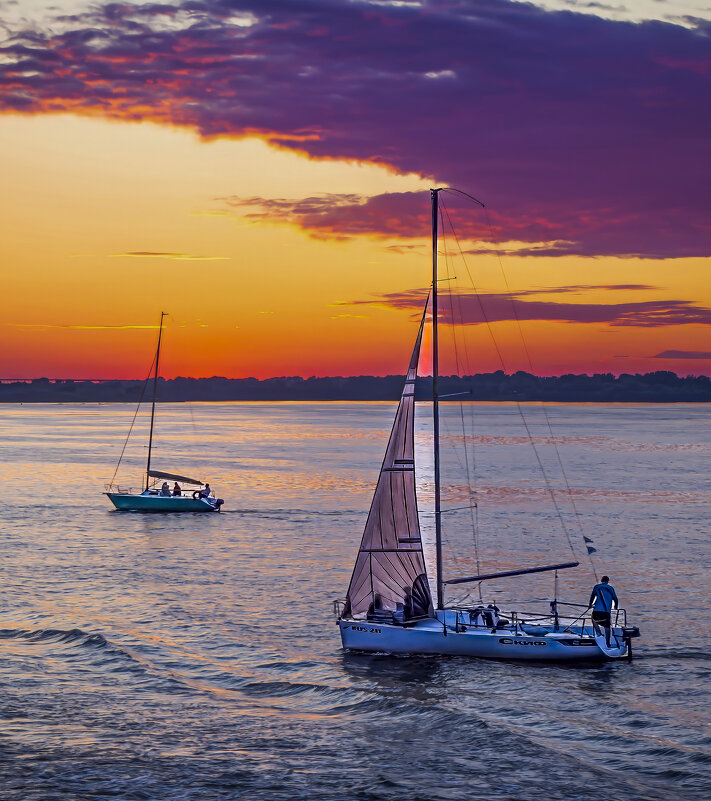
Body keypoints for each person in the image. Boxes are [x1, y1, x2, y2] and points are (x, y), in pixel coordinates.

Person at [589, 575, 619, 647]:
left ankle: (599, 634)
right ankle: (607, 643)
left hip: (596, 610)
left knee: (593, 620)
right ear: (608, 581)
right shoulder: (610, 588)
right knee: (607, 627)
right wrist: (615, 606)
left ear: (601, 580)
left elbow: (592, 596)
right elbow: (615, 599)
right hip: (606, 612)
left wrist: (590, 604)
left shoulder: (597, 587)